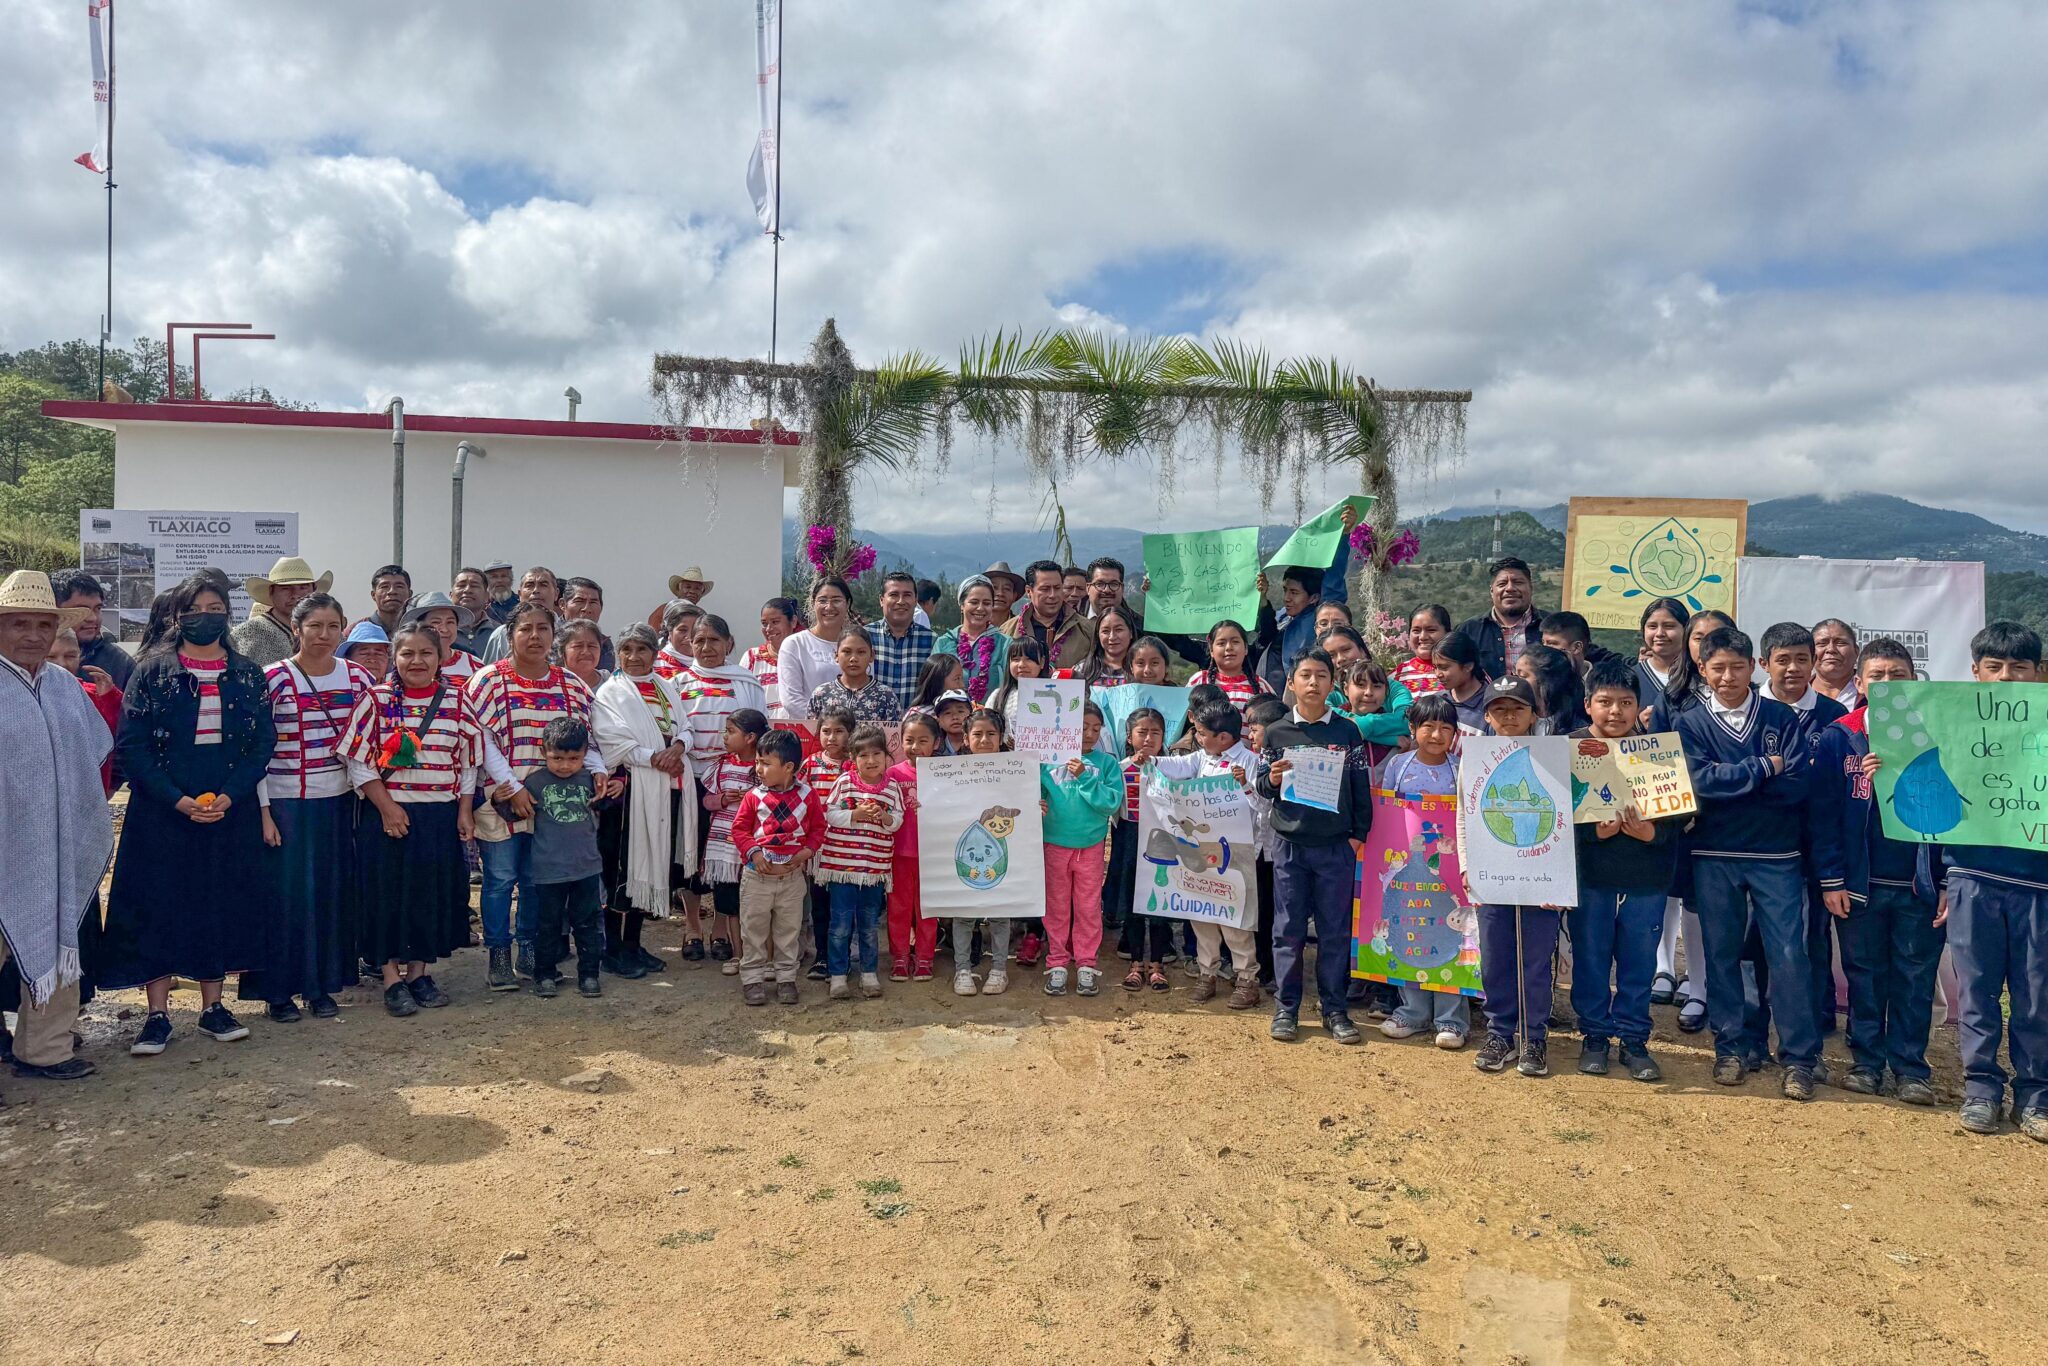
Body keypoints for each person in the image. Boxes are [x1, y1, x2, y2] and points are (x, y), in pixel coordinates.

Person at [101, 573, 277, 1056]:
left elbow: (262, 743)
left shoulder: (247, 673)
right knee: (159, 904)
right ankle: (156, 1015)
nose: (207, 615)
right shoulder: (151, 672)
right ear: (179, 617)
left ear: (228, 613)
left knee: (217, 902)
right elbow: (132, 748)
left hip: (227, 809)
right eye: (196, 608)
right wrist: (175, 799)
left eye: (216, 607)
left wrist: (231, 795)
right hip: (161, 813)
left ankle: (213, 1007)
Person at [1674, 626, 1820, 1100]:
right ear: (1703, 669)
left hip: (1776, 855)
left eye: (1738, 666)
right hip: (1714, 855)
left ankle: (1799, 1057)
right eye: (1718, 668)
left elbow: (1797, 785)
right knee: (1721, 955)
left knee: (1789, 956)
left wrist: (1728, 786)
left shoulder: (1780, 715)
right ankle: (1731, 1047)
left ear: (1754, 667)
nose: (1729, 676)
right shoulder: (1689, 722)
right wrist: (1761, 768)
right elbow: (1696, 782)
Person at [1808, 637, 1942, 1105]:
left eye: (1897, 675)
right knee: (1863, 976)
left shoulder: (1941, 733)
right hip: (1859, 884)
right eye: (1877, 676)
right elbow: (1822, 815)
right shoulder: (1840, 735)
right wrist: (1831, 879)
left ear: (1914, 681)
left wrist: (1945, 883)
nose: (1887, 684)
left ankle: (1911, 1069)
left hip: (1918, 884)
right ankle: (1866, 1063)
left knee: (1914, 978)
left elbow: (1961, 814)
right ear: (1859, 683)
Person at [0, 571, 116, 1087]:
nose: (31, 635)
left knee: (57, 936)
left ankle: (44, 1049)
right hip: (6, 845)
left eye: (42, 625)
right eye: (17, 624)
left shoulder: (66, 686)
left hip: (58, 842)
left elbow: (90, 754)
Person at [1938, 622, 2048, 1140]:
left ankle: (2036, 1096)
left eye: (2019, 668)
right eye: (1995, 667)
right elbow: (1927, 807)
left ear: (2037, 674)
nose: (2007, 678)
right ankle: (1981, 1089)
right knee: (1977, 991)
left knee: (2036, 995)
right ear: (1975, 672)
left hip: (2038, 887)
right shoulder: (1950, 728)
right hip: (1970, 878)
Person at [342, 619, 484, 1015]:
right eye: (407, 653)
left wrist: (464, 811)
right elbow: (358, 759)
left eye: (426, 653)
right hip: (387, 815)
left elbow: (468, 763)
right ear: (394, 657)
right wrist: (387, 807)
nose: (416, 660)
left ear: (441, 658)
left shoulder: (457, 701)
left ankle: (419, 973)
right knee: (386, 895)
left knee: (429, 895)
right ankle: (390, 978)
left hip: (438, 816)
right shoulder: (376, 699)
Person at [245, 592, 375, 1022]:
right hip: (285, 804)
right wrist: (263, 811)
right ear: (296, 629)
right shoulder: (273, 679)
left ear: (343, 630)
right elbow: (256, 750)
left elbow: (372, 742)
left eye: (333, 626)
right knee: (285, 899)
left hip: (339, 803)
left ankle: (321, 985)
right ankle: (278, 992)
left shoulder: (358, 678)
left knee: (330, 895)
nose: (324, 635)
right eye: (314, 626)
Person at [465, 603, 604, 987]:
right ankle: (497, 955)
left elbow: (587, 739)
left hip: (557, 804)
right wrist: (512, 787)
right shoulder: (487, 681)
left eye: (543, 628)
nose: (535, 636)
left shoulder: (571, 684)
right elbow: (482, 739)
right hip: (504, 799)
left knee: (533, 880)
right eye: (525, 628)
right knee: (499, 879)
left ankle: (529, 951)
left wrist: (601, 770)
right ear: (510, 636)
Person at [1569, 658, 1682, 1082]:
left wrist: (1651, 833)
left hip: (1645, 881)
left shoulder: (1657, 752)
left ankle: (1634, 1039)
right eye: (1605, 702)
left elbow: (1677, 821)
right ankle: (1595, 1035)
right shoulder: (1571, 748)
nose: (1615, 711)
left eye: (1626, 702)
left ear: (1639, 707)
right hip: (1590, 880)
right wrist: (1594, 834)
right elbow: (1556, 823)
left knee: (1638, 964)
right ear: (1587, 705)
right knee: (1591, 959)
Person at [1256, 648, 1374, 1046]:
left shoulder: (1347, 732)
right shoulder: (1276, 733)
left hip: (1335, 847)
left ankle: (1335, 1010)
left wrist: (1358, 834)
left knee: (1335, 931)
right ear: (1291, 683)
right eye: (1305, 675)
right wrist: (1271, 780)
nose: (1312, 682)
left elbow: (1361, 788)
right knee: (1287, 929)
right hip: (1289, 844)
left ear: (1332, 683)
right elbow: (1260, 786)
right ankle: (1286, 1008)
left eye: (1321, 675)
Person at [1467, 677, 1566, 1078]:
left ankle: (1534, 1036)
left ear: (1534, 714)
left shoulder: (1553, 757)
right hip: (1492, 874)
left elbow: (1561, 815)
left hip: (1541, 876)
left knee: (1536, 959)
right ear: (1487, 716)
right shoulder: (1474, 757)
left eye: (1518, 709)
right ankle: (1500, 1033)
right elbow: (1465, 814)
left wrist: (1557, 878)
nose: (1509, 717)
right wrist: (1466, 867)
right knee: (1495, 956)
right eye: (1499, 709)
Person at [590, 624, 699, 978]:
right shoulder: (610, 693)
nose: (634, 657)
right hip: (631, 796)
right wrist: (654, 757)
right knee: (624, 869)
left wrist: (679, 747)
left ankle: (634, 944)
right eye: (627, 650)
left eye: (642, 649)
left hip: (665, 790)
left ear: (655, 652)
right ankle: (614, 950)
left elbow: (685, 726)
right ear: (618, 654)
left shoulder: (666, 686)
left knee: (653, 865)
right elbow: (612, 740)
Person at [1374, 693, 1474, 1049]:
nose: (1436, 735)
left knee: (1450, 936)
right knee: (1409, 932)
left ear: (1455, 734)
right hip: (1407, 870)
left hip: (1449, 873)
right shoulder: (1397, 766)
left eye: (1445, 728)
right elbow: (1386, 813)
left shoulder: (1462, 769)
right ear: (1413, 728)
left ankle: (1451, 1018)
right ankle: (1412, 1011)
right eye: (1428, 726)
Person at [1148, 701, 1263, 1007]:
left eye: (1201, 733)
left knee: (1235, 920)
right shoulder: (1202, 758)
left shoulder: (1250, 762)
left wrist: (1246, 787)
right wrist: (1152, 762)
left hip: (1234, 853)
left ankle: (1246, 979)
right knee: (1202, 915)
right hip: (1199, 850)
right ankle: (1207, 973)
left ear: (1224, 737)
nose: (1197, 738)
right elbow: (1178, 767)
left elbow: (1262, 809)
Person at [523, 717, 615, 999]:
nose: (565, 765)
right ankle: (545, 975)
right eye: (557, 758)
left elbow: (608, 805)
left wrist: (616, 790)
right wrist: (500, 799)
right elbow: (513, 813)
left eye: (573, 758)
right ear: (543, 752)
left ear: (585, 754)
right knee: (548, 925)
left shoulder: (592, 780)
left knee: (588, 924)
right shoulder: (533, 782)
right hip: (548, 870)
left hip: (586, 867)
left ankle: (589, 975)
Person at [731, 728, 824, 1005]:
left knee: (788, 932)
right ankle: (752, 980)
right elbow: (740, 830)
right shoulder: (753, 797)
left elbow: (819, 828)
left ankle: (786, 978)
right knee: (754, 930)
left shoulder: (808, 796)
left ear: (789, 767)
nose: (758, 768)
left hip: (792, 879)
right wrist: (754, 853)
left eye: (766, 763)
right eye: (758, 761)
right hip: (757, 877)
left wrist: (807, 851)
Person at [1039, 701, 1121, 997]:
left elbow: (1111, 804)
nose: (1089, 734)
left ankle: (1086, 963)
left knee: (1087, 906)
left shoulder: (1107, 764)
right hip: (1055, 844)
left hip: (1091, 846)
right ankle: (1057, 962)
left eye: (1096, 729)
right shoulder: (1048, 761)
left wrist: (1085, 776)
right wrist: (1038, 803)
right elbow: (1035, 792)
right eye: (1082, 727)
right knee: (1057, 906)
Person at [816, 723, 903, 1000]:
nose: (871, 760)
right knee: (840, 925)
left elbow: (897, 821)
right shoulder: (844, 783)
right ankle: (838, 976)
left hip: (874, 870)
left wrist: (885, 817)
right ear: (853, 759)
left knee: (868, 925)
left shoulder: (892, 788)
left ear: (887, 757)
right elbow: (830, 815)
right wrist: (856, 815)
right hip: (843, 869)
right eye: (863, 755)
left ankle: (869, 974)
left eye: (877, 754)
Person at [950, 709, 1015, 994]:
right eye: (977, 734)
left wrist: (1037, 807)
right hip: (968, 857)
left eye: (991, 734)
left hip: (1000, 858)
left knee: (1000, 913)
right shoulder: (949, 774)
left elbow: (1021, 809)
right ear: (965, 738)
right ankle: (962, 970)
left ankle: (999, 969)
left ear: (1002, 738)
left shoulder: (1016, 772)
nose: (985, 740)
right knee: (963, 914)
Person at [701, 708, 769, 976]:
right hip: (725, 851)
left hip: (755, 847)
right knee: (730, 903)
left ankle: (760, 956)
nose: (724, 737)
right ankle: (739, 955)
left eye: (731, 732)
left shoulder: (765, 767)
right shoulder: (720, 766)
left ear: (751, 737)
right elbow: (707, 801)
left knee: (756, 906)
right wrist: (723, 800)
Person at [1111, 707, 1169, 989]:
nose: (1148, 738)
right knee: (1133, 901)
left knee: (1160, 900)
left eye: (1155, 732)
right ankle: (1135, 963)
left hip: (1162, 840)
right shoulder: (1120, 769)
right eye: (1142, 732)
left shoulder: (1172, 767)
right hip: (1130, 838)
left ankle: (1157, 963)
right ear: (1129, 736)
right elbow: (1113, 808)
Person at [886, 714, 945, 982]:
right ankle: (899, 957)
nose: (915, 746)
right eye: (909, 740)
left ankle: (924, 958)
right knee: (898, 908)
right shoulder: (892, 774)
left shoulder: (945, 774)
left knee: (927, 910)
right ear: (900, 742)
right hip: (898, 854)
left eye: (923, 741)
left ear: (936, 743)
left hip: (932, 856)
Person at [801, 710, 854, 978]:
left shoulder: (856, 766)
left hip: (848, 850)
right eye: (826, 731)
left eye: (839, 731)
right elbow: (797, 804)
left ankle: (842, 957)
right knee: (820, 907)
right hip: (818, 851)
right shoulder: (809, 766)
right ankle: (822, 957)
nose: (831, 737)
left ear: (850, 735)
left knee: (844, 907)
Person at [779, 577, 856, 725]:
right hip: (809, 731)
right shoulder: (795, 644)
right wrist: (826, 728)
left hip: (851, 735)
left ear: (847, 604)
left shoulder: (857, 643)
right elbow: (791, 700)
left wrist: (847, 730)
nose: (829, 607)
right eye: (822, 600)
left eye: (836, 600)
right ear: (813, 604)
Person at [232, 556, 334, 668]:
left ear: (313, 590)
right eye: (285, 588)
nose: (295, 595)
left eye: (303, 587)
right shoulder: (248, 632)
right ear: (271, 592)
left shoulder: (329, 631)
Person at [1450, 556, 1539, 680]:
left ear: (1531, 588)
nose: (1510, 588)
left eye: (1518, 582)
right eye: (1502, 584)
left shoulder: (1552, 627)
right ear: (1492, 591)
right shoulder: (1468, 631)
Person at [1000, 560, 1096, 672]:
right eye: (1045, 589)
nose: (1052, 595)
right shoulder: (1007, 632)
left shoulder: (1087, 630)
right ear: (1029, 591)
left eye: (1057, 588)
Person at [933, 575, 1012, 704]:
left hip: (991, 719)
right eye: (974, 602)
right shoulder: (944, 643)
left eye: (986, 603)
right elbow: (933, 685)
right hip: (949, 717)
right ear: (961, 605)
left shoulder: (1004, 644)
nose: (980, 608)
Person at [50, 568, 132, 690]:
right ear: (54, 609)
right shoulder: (30, 655)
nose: (92, 618)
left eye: (97, 609)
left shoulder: (121, 663)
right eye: (82, 610)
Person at [807, 625, 904, 723]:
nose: (853, 658)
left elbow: (893, 736)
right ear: (836, 655)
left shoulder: (885, 696)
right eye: (847, 652)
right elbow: (811, 734)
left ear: (871, 656)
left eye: (861, 652)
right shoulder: (821, 694)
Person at [870, 571, 935, 700]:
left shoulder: (932, 641)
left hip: (916, 719)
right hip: (872, 720)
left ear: (915, 600)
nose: (900, 601)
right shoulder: (865, 637)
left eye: (907, 595)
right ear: (881, 600)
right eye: (894, 595)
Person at [479, 567, 561, 663]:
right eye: (529, 585)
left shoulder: (567, 632)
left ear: (556, 594)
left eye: (543, 585)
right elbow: (490, 672)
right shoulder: (502, 634)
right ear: (519, 595)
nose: (535, 590)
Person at [744, 597, 803, 720]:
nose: (768, 629)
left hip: (800, 734)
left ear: (793, 622)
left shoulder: (805, 656)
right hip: (762, 734)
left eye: (775, 622)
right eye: (764, 623)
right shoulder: (752, 658)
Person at [1190, 619, 1274, 707]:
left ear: (1246, 648)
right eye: (1221, 643)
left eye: (1235, 642)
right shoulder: (1198, 681)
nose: (1229, 647)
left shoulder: (1261, 686)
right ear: (1211, 650)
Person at [1515, 644, 1588, 734]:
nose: (1515, 682)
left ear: (1545, 679)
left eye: (1522, 676)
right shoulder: (1513, 720)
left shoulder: (1579, 726)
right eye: (1515, 675)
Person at [986, 637, 1050, 733]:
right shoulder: (997, 695)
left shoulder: (1054, 694)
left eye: (1029, 659)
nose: (1021, 665)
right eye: (1016, 659)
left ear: (1042, 662)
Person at [1431, 633, 1489, 734]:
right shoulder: (1436, 701)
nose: (1438, 674)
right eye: (1435, 667)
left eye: (1444, 668)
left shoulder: (1491, 705)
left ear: (1468, 666)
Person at [557, 578, 616, 673]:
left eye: (593, 602)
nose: (586, 608)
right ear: (563, 604)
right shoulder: (548, 638)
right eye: (579, 601)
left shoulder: (605, 644)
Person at [1394, 605, 1451, 697]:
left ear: (1448, 634)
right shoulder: (1396, 676)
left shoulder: (1464, 672)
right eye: (1416, 631)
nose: (1423, 637)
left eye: (1431, 630)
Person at [1080, 604, 1140, 686]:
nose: (1112, 637)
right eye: (1105, 631)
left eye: (1119, 630)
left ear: (1131, 632)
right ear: (1098, 635)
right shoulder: (1082, 670)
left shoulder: (1143, 670)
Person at [1811, 618, 1862, 707]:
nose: (1831, 649)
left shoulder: (1872, 693)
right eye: (1822, 644)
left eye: (1840, 643)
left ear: (1856, 651)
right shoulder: (1796, 692)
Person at [449, 567, 494, 656]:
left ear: (487, 596)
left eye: (474, 586)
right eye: (461, 585)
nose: (467, 590)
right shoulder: (441, 631)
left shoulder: (498, 632)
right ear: (450, 595)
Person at [657, 601, 705, 680]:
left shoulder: (716, 667)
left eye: (695, 630)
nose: (689, 636)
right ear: (669, 632)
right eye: (682, 630)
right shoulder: (652, 666)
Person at [366, 564, 414, 638]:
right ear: (373, 595)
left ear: (410, 594)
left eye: (399, 586)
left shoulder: (419, 630)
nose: (392, 591)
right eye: (384, 587)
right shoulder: (355, 630)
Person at [482, 560, 519, 625]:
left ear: (511, 580)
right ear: (486, 582)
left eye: (504, 576)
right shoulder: (482, 607)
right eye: (494, 577)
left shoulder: (520, 604)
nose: (499, 580)